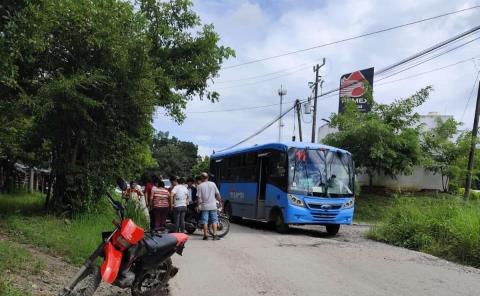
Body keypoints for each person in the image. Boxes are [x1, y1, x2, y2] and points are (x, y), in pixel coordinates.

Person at [196, 172, 222, 240]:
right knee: (214, 220)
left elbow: (199, 198)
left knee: (205, 221)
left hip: (204, 206)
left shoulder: (200, 186)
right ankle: (215, 235)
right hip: (213, 205)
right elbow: (218, 194)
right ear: (207, 177)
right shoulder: (213, 184)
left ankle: (205, 235)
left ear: (201, 178)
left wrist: (198, 206)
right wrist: (220, 202)